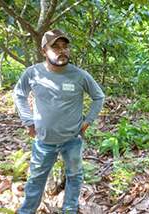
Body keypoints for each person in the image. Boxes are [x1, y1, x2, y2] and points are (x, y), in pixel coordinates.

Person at [13, 29, 105, 213]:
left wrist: (88, 121)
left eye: (65, 46)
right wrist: (28, 121)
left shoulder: (80, 75)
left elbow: (98, 97)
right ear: (43, 51)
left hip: (72, 140)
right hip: (44, 141)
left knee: (75, 176)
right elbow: (19, 94)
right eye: (55, 47)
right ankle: (27, 211)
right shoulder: (33, 73)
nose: (62, 50)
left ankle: (69, 209)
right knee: (36, 180)